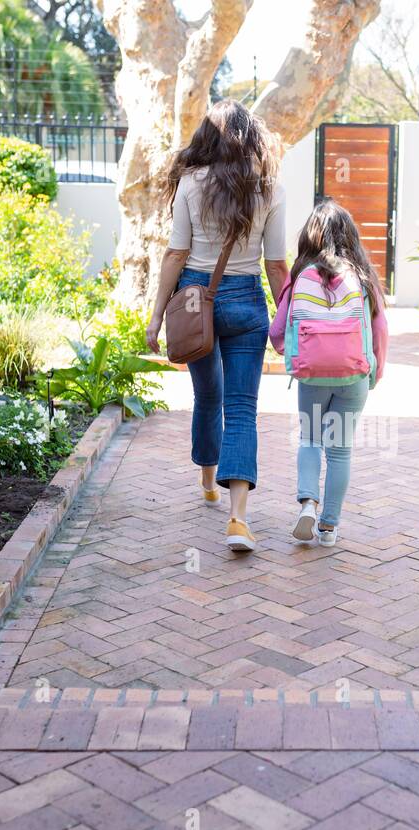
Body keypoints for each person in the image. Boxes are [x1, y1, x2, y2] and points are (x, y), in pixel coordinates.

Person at [147, 100, 289, 553]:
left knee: (208, 394)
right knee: (242, 408)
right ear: (252, 138)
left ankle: (208, 480)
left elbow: (175, 254)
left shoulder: (190, 182)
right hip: (246, 301)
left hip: (195, 299)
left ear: (207, 136)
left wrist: (155, 317)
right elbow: (276, 264)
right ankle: (238, 519)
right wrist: (286, 320)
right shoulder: (269, 188)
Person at [269, 200, 389, 547]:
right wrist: (375, 370)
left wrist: (291, 350)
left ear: (310, 235)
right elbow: (380, 330)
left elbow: (277, 330)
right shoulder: (364, 276)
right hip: (353, 377)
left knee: (310, 439)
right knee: (340, 450)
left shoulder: (300, 275)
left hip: (313, 375)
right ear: (350, 236)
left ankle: (308, 503)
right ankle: (328, 527)